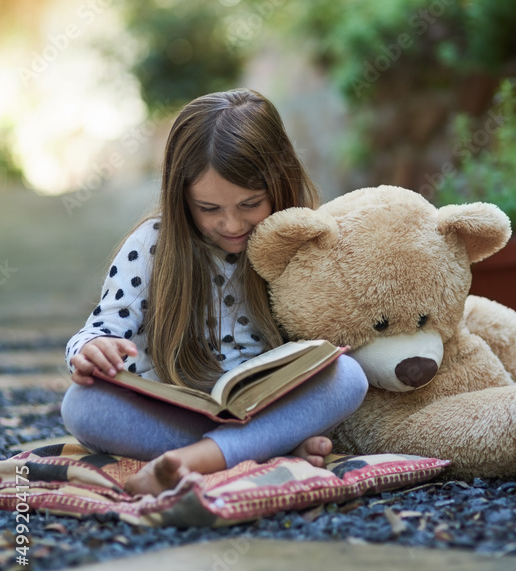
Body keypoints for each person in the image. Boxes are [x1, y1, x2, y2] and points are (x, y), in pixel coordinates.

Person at [61, 88, 368, 497]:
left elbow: (330, 337)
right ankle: (260, 448)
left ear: (280, 182)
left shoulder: (301, 241)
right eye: (209, 209)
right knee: (81, 406)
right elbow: (102, 327)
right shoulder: (151, 246)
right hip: (177, 413)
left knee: (349, 377)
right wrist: (91, 348)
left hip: (267, 405)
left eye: (250, 204)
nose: (231, 224)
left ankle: (199, 459)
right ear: (180, 195)